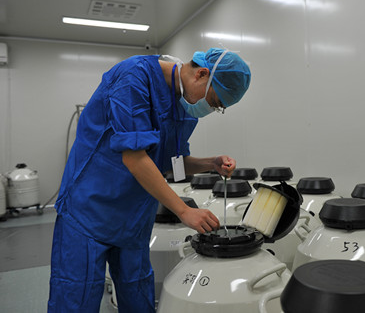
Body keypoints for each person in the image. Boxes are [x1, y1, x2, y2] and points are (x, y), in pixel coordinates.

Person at [48, 48, 251, 312]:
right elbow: (135, 158)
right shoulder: (134, 77)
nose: (211, 109)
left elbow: (170, 164)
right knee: (76, 297)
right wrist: (183, 211)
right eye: (214, 101)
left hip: (133, 218)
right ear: (202, 74)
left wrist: (210, 164)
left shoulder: (185, 106)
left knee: (138, 297)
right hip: (90, 210)